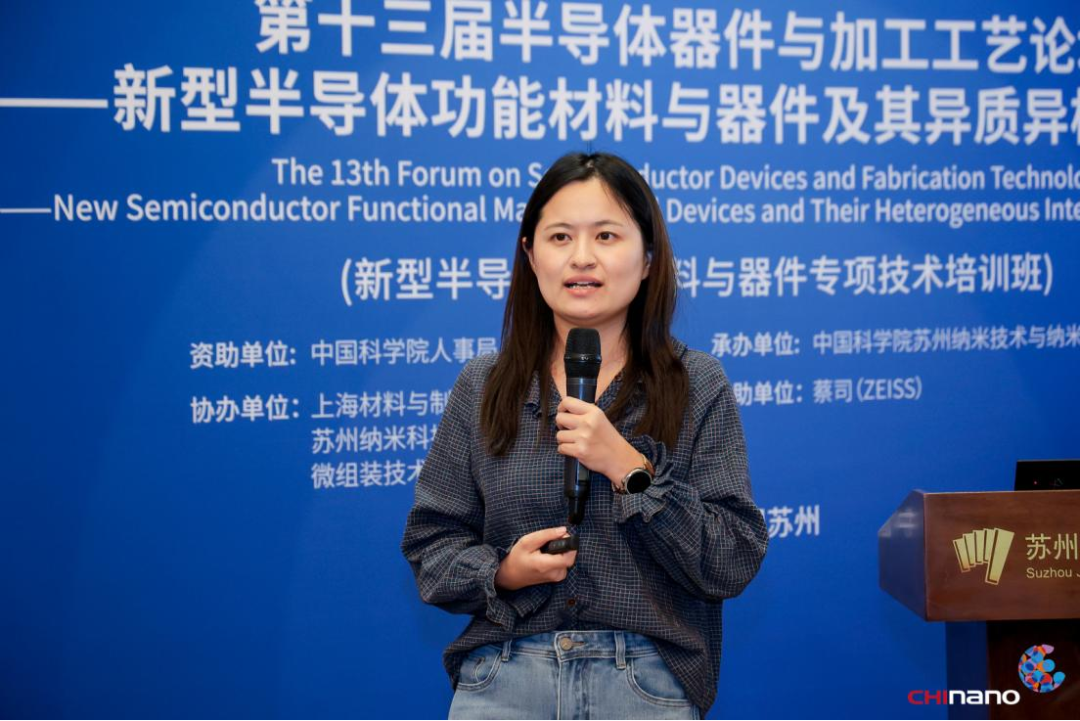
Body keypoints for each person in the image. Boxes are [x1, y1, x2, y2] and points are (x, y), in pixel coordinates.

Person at [401, 151, 768, 719]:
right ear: (531, 256)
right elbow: (431, 545)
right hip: (505, 679)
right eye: (560, 237)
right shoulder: (482, 385)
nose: (581, 257)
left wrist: (630, 470)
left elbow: (732, 558)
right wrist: (502, 572)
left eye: (606, 235)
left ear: (647, 258)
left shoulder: (696, 383)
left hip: (645, 684)